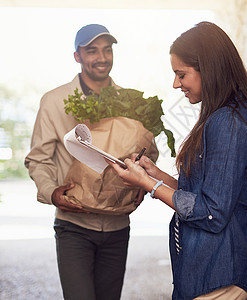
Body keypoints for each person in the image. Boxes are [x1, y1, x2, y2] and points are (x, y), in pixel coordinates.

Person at [107, 22, 247, 300]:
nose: (175, 84)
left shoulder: (229, 122)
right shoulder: (220, 116)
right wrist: (154, 173)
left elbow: (212, 212)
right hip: (208, 271)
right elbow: (201, 195)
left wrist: (146, 183)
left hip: (221, 275)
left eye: (181, 74)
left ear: (209, 68)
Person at [25, 24, 145, 300]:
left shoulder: (130, 102)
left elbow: (144, 153)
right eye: (92, 50)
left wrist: (143, 181)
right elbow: (38, 159)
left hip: (117, 225)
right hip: (73, 226)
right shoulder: (54, 101)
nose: (102, 57)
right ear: (77, 56)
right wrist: (52, 193)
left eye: (107, 49)